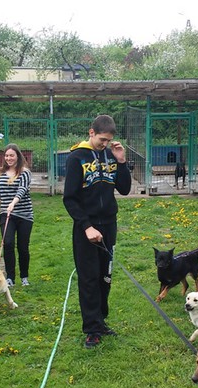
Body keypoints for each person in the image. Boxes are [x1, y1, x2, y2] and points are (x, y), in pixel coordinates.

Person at [63, 114, 131, 349]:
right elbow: (69, 199)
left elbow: (124, 189)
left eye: (108, 140)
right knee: (89, 277)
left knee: (105, 275)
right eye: (102, 139)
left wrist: (121, 162)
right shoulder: (76, 158)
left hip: (109, 224)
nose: (105, 144)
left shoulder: (111, 154)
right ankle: (91, 328)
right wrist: (86, 226)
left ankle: (100, 320)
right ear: (91, 132)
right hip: (86, 227)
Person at [0, 144, 34, 287]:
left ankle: (24, 276)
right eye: (6, 156)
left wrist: (13, 203)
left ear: (18, 156)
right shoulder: (1, 174)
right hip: (6, 215)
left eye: (11, 155)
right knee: (7, 244)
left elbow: (22, 189)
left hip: (24, 215)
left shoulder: (24, 172)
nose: (8, 158)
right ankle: (10, 278)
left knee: (23, 247)